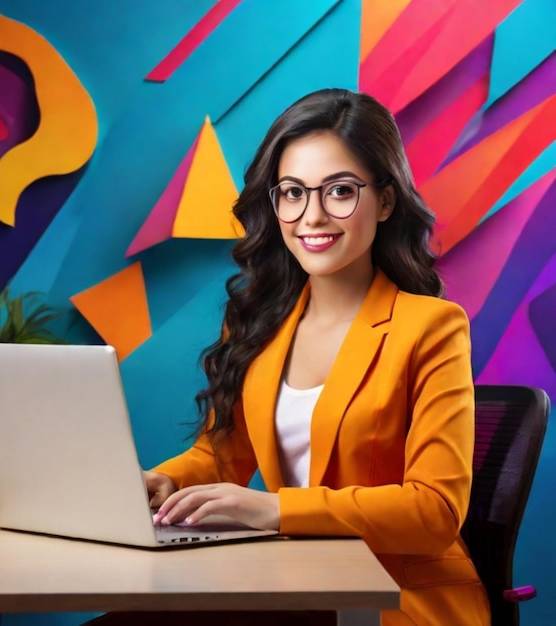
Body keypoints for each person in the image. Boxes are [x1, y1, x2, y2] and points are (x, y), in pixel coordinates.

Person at [95, 88, 491, 625]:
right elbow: (219, 459)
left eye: (340, 191)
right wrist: (166, 483)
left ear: (386, 200)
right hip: (300, 581)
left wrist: (274, 509)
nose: (313, 216)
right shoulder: (259, 324)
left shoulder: (431, 327)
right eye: (292, 193)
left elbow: (434, 511)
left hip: (397, 597)